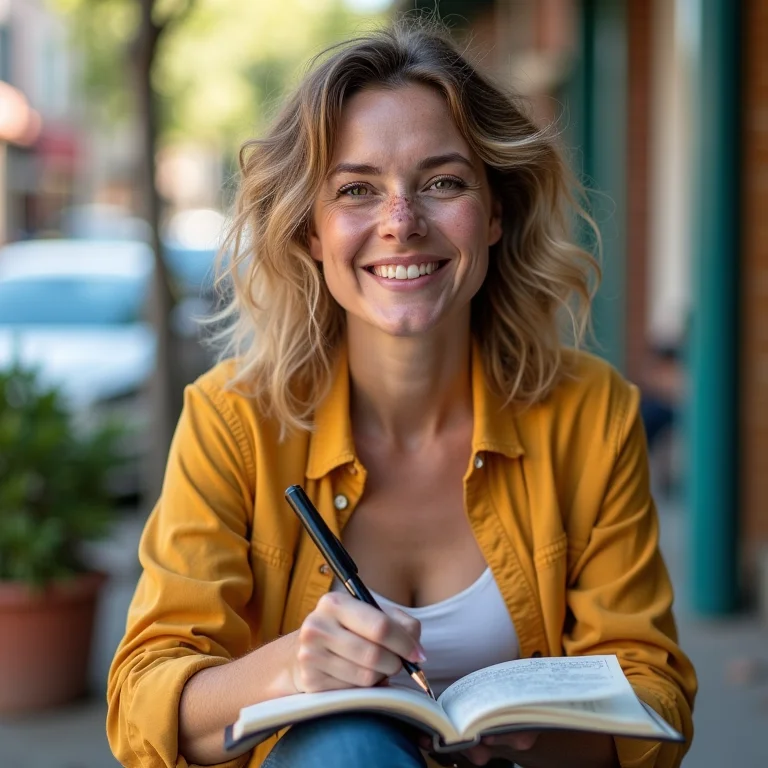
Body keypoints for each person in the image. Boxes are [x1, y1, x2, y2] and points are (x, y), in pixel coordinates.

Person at [107, 19, 697, 768]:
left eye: (443, 182)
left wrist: (535, 734)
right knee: (344, 743)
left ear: (496, 211)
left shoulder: (592, 412)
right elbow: (140, 704)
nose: (401, 223)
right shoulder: (234, 420)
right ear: (311, 234)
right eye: (357, 189)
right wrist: (293, 668)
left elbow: (657, 691)